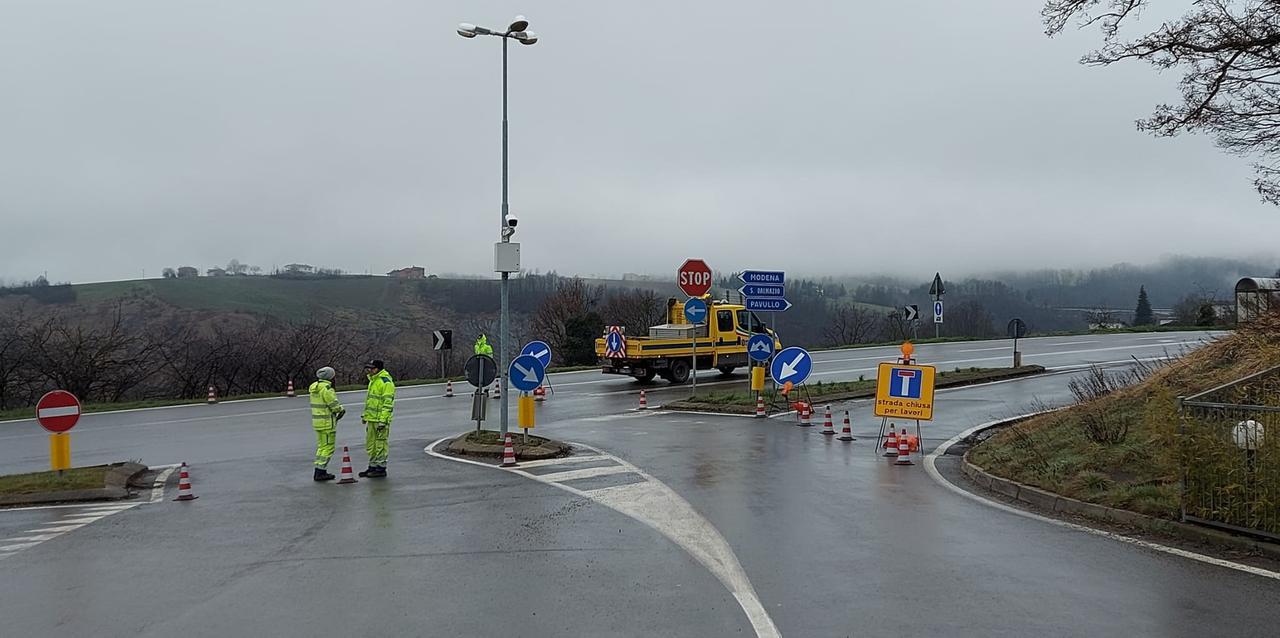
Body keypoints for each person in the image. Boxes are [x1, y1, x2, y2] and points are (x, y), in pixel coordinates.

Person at [308, 366, 346, 481]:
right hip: (327, 423)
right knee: (328, 447)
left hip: (318, 422)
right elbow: (334, 405)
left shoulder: (314, 387)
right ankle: (320, 471)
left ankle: (319, 469)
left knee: (321, 447)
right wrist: (341, 409)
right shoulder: (327, 389)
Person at [359, 359, 395, 478]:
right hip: (372, 419)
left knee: (381, 444)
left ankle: (381, 468)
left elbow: (387, 403)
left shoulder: (385, 382)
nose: (369, 370)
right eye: (369, 368)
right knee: (371, 444)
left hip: (380, 420)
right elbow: (370, 401)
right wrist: (365, 415)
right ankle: (372, 466)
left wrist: (383, 421)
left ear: (378, 369)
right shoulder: (373, 380)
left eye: (372, 368)